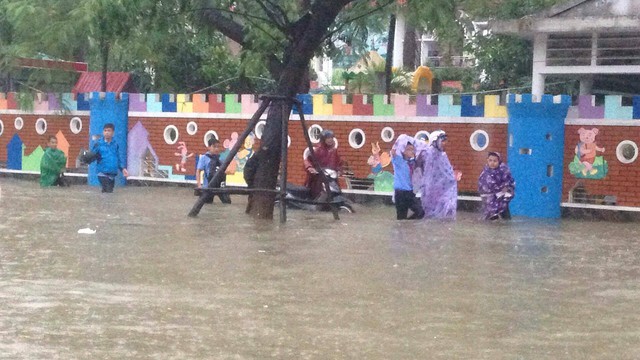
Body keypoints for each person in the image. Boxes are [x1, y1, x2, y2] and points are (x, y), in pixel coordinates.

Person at [415, 130, 461, 219]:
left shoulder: (443, 155)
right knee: (430, 215)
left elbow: (447, 172)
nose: (445, 143)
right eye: (442, 140)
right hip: (430, 190)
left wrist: (452, 178)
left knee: (445, 214)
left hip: (444, 190)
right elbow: (418, 166)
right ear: (435, 141)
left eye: (445, 140)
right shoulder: (427, 153)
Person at [391, 134, 424, 220]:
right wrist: (398, 141)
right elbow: (393, 152)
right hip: (400, 193)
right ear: (403, 151)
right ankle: (404, 228)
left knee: (421, 212)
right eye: (409, 149)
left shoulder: (412, 162)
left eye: (413, 150)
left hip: (410, 193)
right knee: (401, 218)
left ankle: (408, 225)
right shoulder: (398, 160)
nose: (412, 151)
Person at [304, 130, 343, 200]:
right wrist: (310, 168)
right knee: (317, 192)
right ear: (323, 139)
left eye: (331, 138)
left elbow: (338, 162)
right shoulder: (317, 150)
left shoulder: (334, 151)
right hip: (319, 178)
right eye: (328, 138)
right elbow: (308, 160)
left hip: (331, 178)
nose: (330, 140)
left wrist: (339, 170)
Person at [92, 123, 128, 193]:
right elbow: (92, 155)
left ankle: (101, 203)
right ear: (103, 132)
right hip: (102, 173)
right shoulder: (98, 144)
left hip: (112, 174)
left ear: (113, 133)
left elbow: (118, 158)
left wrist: (122, 168)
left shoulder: (115, 144)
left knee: (109, 193)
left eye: (109, 131)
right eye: (105, 131)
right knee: (107, 191)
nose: (107, 133)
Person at [478, 151, 515, 220]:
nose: (492, 163)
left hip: (502, 197)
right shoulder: (485, 173)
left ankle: (504, 225)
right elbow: (485, 186)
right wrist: (500, 189)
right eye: (490, 160)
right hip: (489, 198)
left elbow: (510, 181)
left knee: (505, 215)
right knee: (490, 215)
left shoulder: (504, 171)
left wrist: (506, 187)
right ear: (487, 161)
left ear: (499, 161)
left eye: (495, 161)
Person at [196, 137, 231, 204]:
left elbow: (225, 170)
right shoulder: (204, 158)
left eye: (218, 147)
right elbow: (198, 171)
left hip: (220, 186)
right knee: (207, 203)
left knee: (227, 202)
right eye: (214, 147)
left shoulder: (220, 158)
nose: (216, 149)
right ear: (209, 147)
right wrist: (199, 185)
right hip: (208, 186)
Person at [243, 138, 263, 213]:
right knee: (252, 196)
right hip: (252, 179)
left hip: (252, 178)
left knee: (252, 196)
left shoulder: (256, 157)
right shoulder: (256, 159)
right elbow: (248, 172)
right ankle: (249, 211)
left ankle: (249, 211)